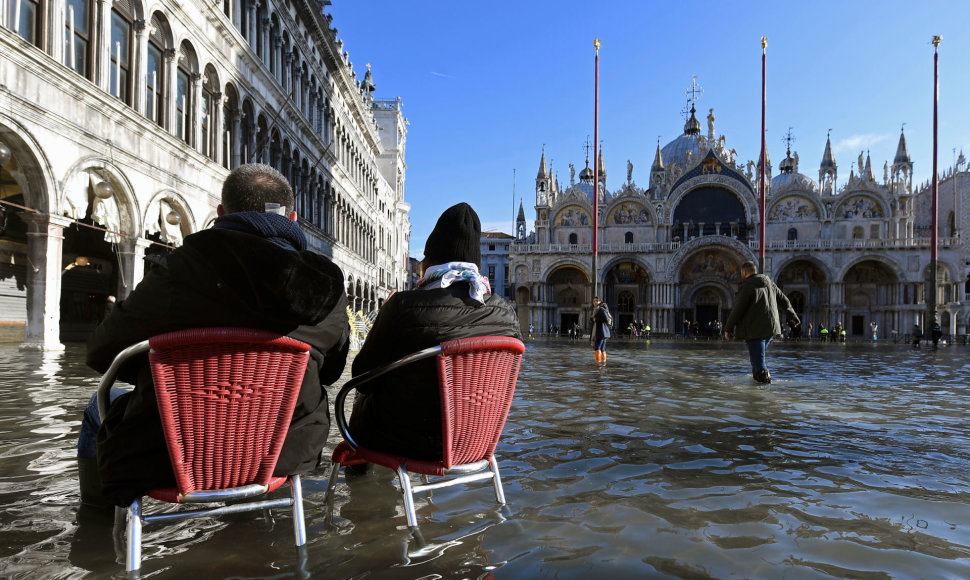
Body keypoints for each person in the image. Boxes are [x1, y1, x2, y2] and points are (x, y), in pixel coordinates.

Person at [78, 164, 350, 508]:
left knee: (96, 406)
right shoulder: (327, 288)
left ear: (221, 213)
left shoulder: (177, 270)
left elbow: (102, 353)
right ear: (293, 218)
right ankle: (247, 520)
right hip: (284, 448)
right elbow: (331, 372)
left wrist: (171, 369)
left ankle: (95, 531)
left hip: (168, 450)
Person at [347, 203, 519, 461]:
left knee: (363, 400)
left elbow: (362, 377)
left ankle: (364, 493)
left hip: (404, 443)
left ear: (428, 260)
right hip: (475, 443)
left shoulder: (403, 305)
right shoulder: (506, 314)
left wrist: (384, 318)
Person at [723, 260, 799, 384]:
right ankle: (757, 384)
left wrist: (728, 328)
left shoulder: (748, 286)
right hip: (770, 328)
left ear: (744, 272)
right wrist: (793, 316)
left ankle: (763, 392)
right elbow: (784, 300)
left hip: (754, 329)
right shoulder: (770, 283)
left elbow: (738, 309)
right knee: (757, 359)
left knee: (759, 363)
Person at [591, 296, 612, 362]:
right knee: (602, 348)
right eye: (594, 301)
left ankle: (598, 363)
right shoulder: (598, 309)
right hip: (603, 332)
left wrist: (596, 319)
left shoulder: (601, 309)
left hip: (600, 332)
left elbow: (606, 319)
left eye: (597, 301)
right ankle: (603, 362)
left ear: (600, 302)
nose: (595, 302)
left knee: (597, 348)